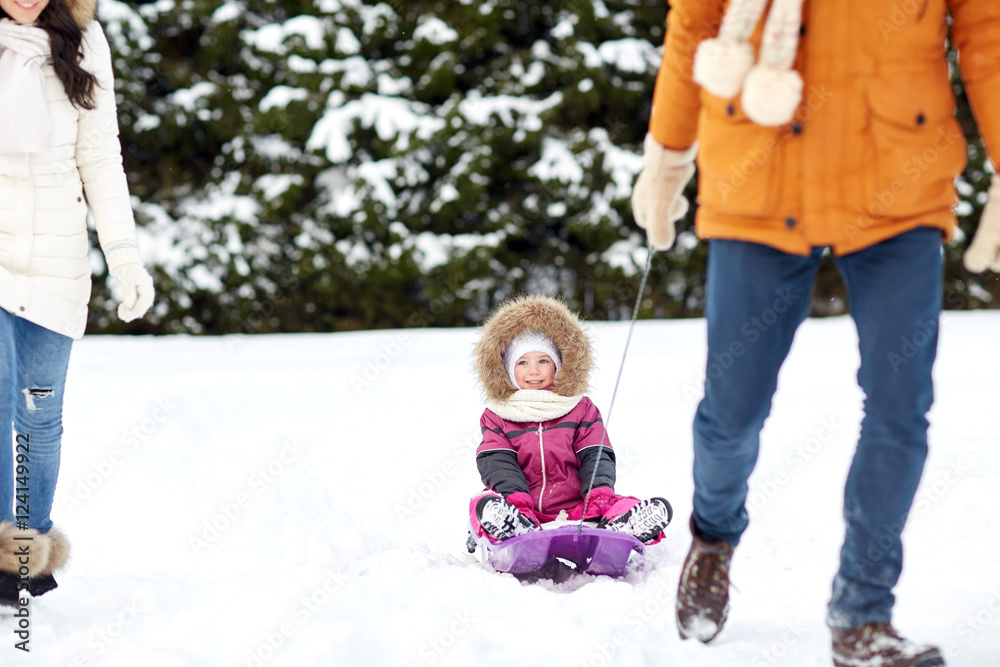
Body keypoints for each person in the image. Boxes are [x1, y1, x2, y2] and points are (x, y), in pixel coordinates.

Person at [631, 0, 1000, 665]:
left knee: (899, 408)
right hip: (759, 171)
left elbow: (987, 34)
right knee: (731, 412)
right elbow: (697, 22)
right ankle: (713, 536)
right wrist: (667, 155)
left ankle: (862, 612)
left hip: (898, 179)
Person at [0, 0, 155, 605]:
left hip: (56, 263)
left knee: (39, 413)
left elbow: (100, 158)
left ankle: (26, 549)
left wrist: (123, 254)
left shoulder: (84, 44)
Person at [467, 295, 672, 547]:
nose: (534, 371)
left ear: (558, 365)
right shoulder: (498, 414)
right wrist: (516, 501)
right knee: (482, 503)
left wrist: (597, 497)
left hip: (580, 510)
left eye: (543, 361)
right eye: (523, 363)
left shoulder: (579, 408)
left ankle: (622, 525)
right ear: (509, 371)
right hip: (524, 509)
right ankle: (511, 528)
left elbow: (595, 454)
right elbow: (498, 462)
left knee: (616, 503)